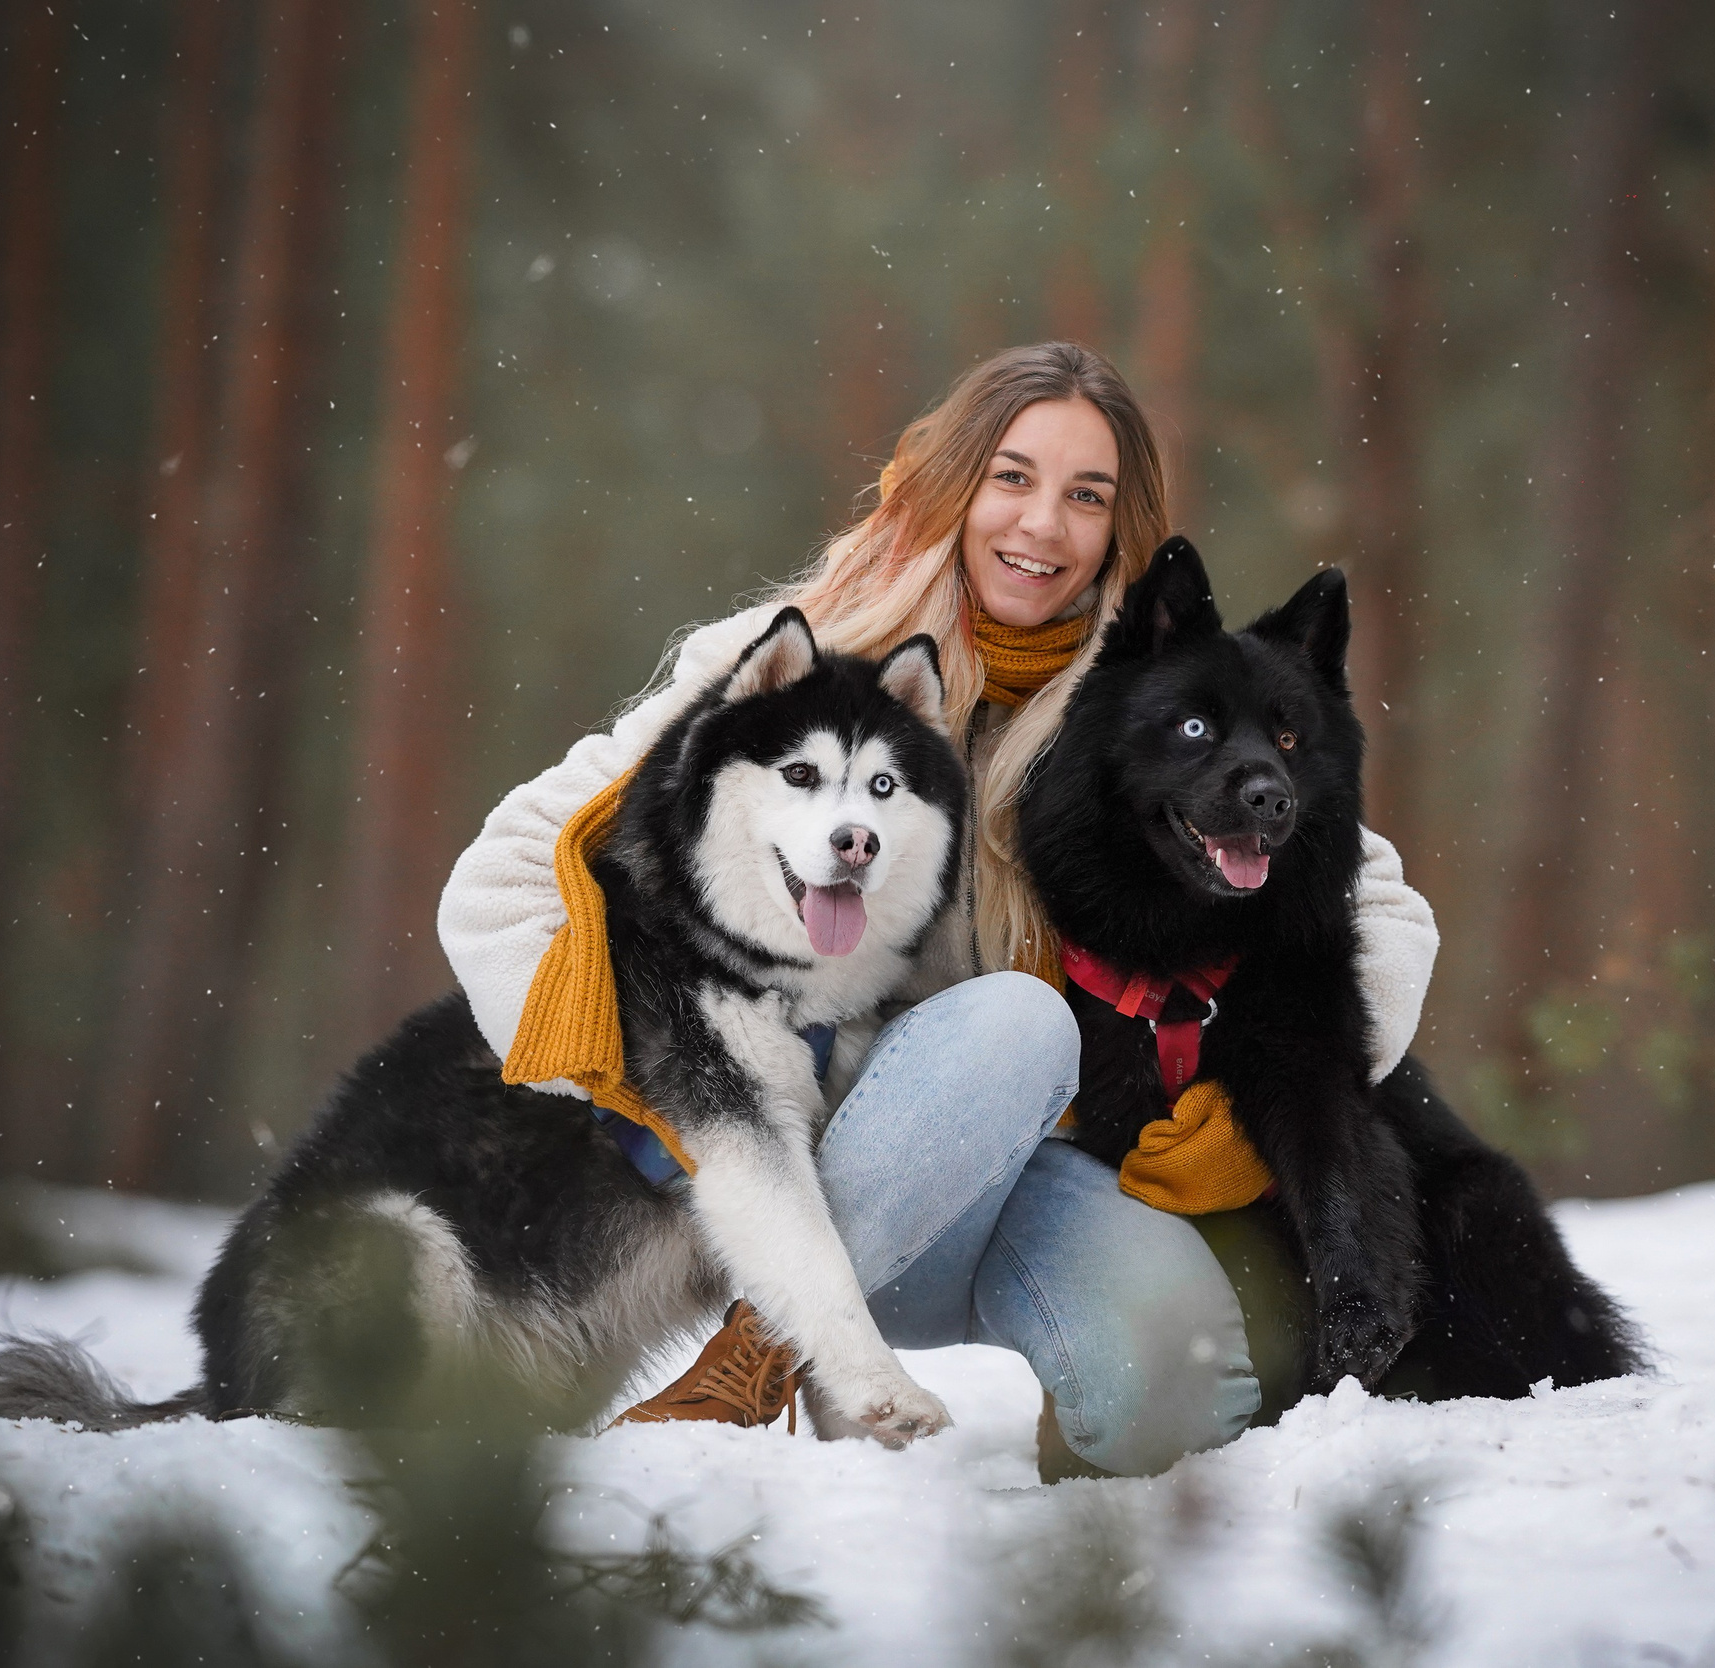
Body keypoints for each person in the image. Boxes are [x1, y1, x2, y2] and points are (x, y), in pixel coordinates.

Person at [436, 342, 1437, 1478]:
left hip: (1033, 1166)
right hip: (799, 1174)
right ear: (949, 483)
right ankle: (769, 1345)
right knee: (1014, 1018)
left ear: (1121, 526)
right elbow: (506, 876)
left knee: (1179, 1387)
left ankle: (1048, 1368)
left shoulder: (1149, 705)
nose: (1043, 526)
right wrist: (667, 1097)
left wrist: (1282, 1104)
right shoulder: (802, 665)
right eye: (1011, 477)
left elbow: (1384, 912)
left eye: (1086, 495)